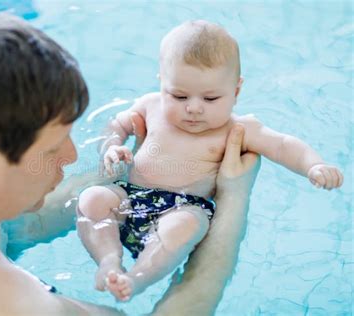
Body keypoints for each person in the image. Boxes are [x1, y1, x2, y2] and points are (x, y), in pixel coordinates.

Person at [0, 13, 259, 315]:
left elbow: (24, 219)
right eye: (52, 149)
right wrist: (232, 201)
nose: (73, 156)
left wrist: (143, 173)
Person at [76, 20, 344, 301]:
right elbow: (116, 125)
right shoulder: (150, 106)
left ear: (236, 92)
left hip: (181, 208)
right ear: (161, 83)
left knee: (186, 225)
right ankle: (108, 261)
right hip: (130, 197)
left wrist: (313, 165)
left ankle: (137, 278)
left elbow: (283, 145)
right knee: (92, 198)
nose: (193, 108)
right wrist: (111, 147)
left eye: (211, 98)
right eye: (178, 95)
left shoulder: (238, 129)